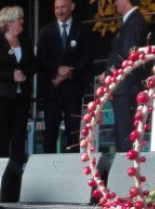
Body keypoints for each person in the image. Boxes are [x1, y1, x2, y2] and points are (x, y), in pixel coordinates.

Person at [36, 0, 91, 153]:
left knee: (73, 134)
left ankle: (71, 170)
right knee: (50, 134)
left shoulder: (82, 30)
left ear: (72, 7)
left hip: (72, 91)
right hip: (52, 90)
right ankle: (48, 170)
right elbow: (41, 60)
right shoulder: (45, 31)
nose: (59, 11)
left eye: (63, 7)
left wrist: (69, 71)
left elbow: (87, 58)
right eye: (56, 8)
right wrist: (57, 70)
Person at [0, 7, 37, 167]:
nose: (22, 21)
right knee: (3, 137)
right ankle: (2, 172)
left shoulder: (25, 41)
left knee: (19, 137)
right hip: (2, 97)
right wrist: (11, 74)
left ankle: (17, 173)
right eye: (19, 19)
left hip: (22, 97)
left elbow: (34, 64)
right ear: (9, 22)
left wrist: (25, 74)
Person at [105, 0, 148, 153]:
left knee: (125, 137)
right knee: (122, 135)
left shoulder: (134, 21)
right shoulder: (129, 21)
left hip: (128, 88)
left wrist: (109, 73)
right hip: (123, 87)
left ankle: (126, 171)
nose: (115, 3)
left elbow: (129, 53)